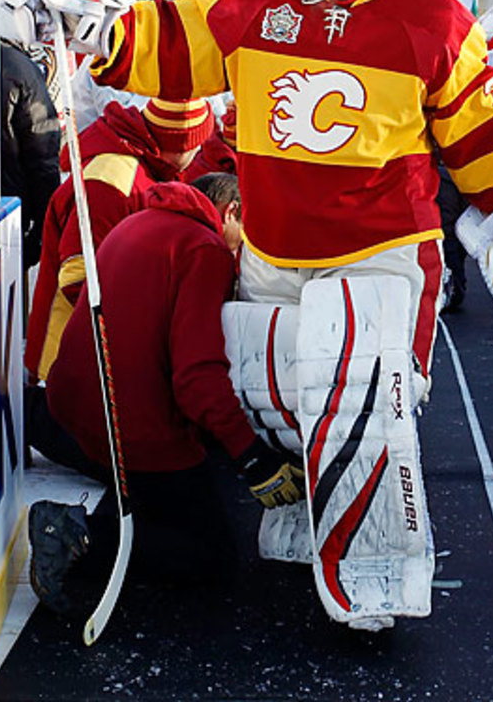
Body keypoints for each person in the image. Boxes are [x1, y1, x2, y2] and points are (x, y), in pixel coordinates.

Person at [37, 0, 493, 628]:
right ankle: (312, 512)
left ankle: (378, 561)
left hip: (380, 254)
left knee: (373, 401)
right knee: (273, 389)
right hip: (274, 250)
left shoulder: (433, 17)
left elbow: (478, 132)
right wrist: (96, 31)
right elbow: (174, 41)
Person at [26, 174, 304, 614]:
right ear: (230, 213)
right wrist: (253, 458)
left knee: (172, 485)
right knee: (211, 555)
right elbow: (196, 379)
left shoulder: (136, 224)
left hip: (70, 407)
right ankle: (76, 536)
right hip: (129, 431)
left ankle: (48, 438)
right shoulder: (205, 250)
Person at [24, 97, 214, 384]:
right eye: (196, 144)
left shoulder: (140, 170)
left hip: (99, 360)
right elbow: (78, 278)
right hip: (71, 365)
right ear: (179, 144)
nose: (199, 152)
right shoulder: (111, 181)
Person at [0, 41, 61, 270]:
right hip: (9, 209)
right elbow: (42, 152)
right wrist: (46, 222)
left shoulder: (12, 65)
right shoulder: (17, 66)